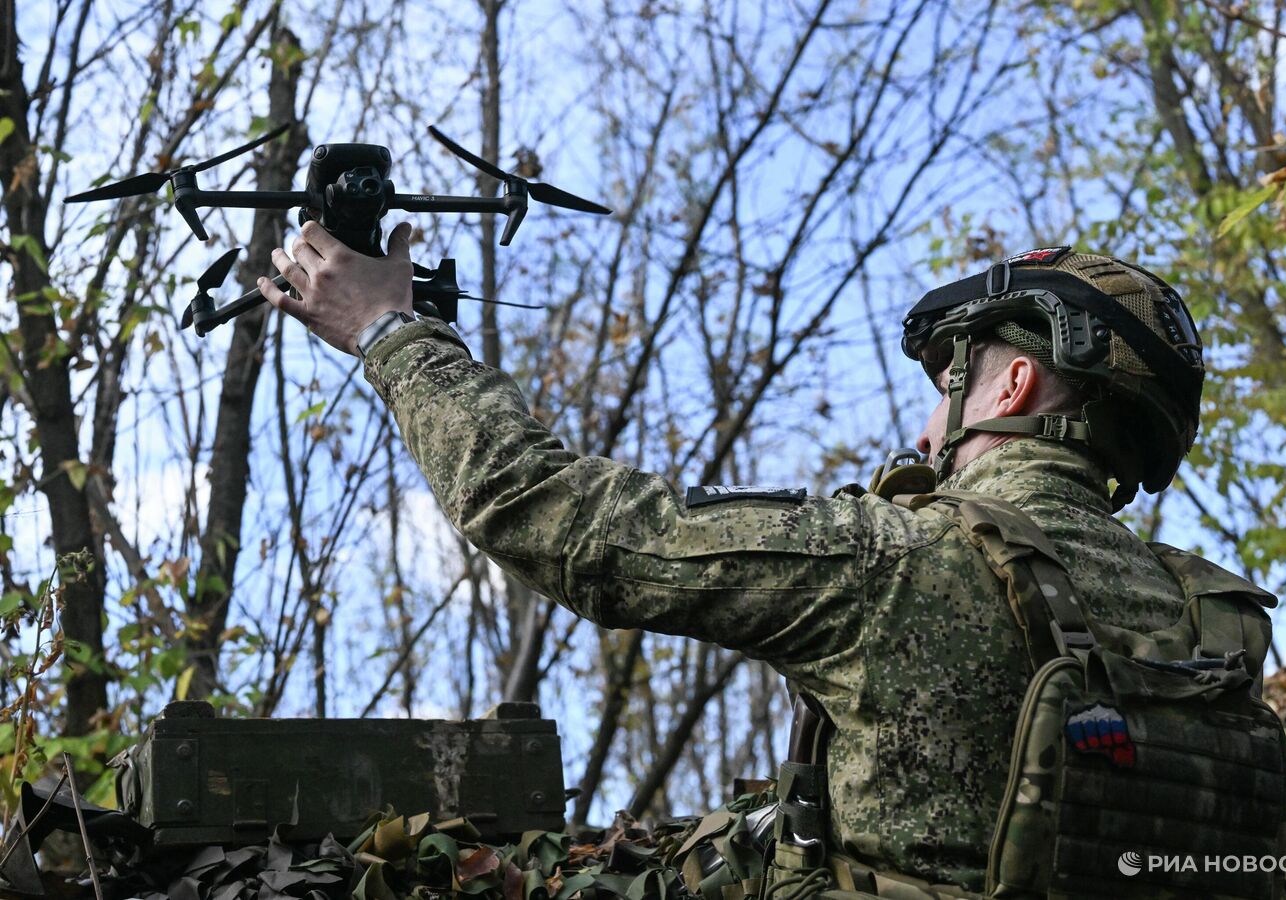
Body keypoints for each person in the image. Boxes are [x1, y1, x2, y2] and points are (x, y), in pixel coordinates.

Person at [257, 229, 1213, 894]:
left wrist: (391, 334)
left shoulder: (896, 560)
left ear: (1013, 384)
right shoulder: (1208, 622)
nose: (927, 425)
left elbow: (547, 513)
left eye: (947, 384)